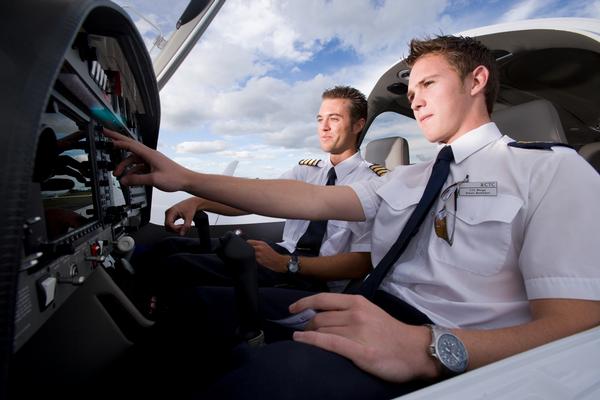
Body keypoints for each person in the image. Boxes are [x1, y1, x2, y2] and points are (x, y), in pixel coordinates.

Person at [104, 34, 600, 399]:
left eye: (429, 83)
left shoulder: (551, 170)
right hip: (371, 309)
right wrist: (187, 178)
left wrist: (431, 348)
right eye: (411, 94)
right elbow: (309, 200)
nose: (417, 99)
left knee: (255, 385)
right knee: (196, 314)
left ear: (477, 80)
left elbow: (578, 323)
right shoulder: (408, 179)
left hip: (442, 340)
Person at [131, 86, 383, 314]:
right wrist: (199, 201)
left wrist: (287, 263)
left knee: (179, 269)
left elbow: (360, 263)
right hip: (283, 254)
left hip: (314, 279)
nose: (324, 127)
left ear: (358, 125)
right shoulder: (307, 169)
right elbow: (254, 198)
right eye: (320, 119)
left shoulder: (373, 184)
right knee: (169, 247)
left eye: (334, 119)